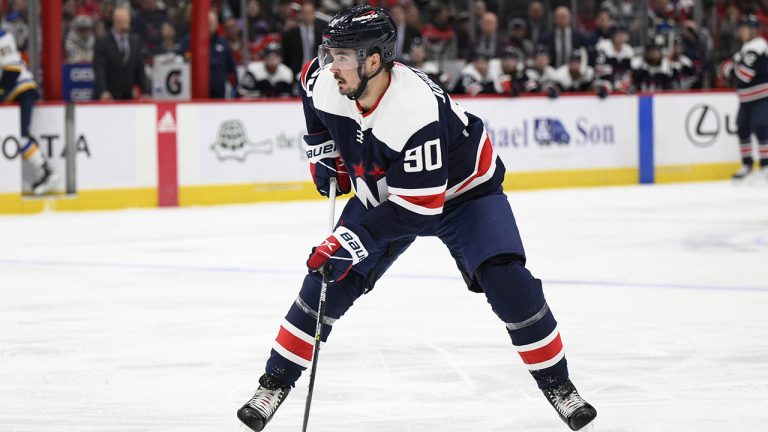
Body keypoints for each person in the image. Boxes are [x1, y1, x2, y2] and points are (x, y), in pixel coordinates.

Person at [236, 6, 597, 432]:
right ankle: (274, 384)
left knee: (507, 282)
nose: (333, 65)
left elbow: (416, 209)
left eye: (344, 56)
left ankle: (559, 386)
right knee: (325, 281)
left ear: (374, 60)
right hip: (387, 188)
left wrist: (348, 242)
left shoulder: (414, 112)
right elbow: (308, 84)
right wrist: (322, 149)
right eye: (331, 52)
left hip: (463, 194)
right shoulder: (328, 78)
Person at [0, 27, 58, 195]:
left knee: (20, 136)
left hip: (22, 89)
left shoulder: (3, 36)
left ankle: (46, 171)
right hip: (14, 93)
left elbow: (12, 70)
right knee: (18, 135)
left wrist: (1, 94)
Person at [720, 14, 768, 180]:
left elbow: (743, 75)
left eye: (744, 28)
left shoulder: (756, 47)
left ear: (753, 30)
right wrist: (732, 68)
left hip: (761, 97)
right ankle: (747, 164)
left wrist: (729, 68)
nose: (741, 31)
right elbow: (733, 69)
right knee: (742, 129)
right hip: (746, 98)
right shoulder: (747, 47)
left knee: (762, 129)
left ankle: (766, 165)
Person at [92, 7, 150, 100]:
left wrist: (145, 91)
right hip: (108, 94)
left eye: (126, 21)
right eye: (121, 21)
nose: (124, 25)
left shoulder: (135, 41)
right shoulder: (102, 42)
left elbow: (140, 68)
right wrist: (103, 91)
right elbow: (99, 69)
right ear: (115, 22)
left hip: (127, 94)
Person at [281, 1, 324, 76]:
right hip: (296, 71)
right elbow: (286, 56)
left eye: (310, 13)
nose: (307, 16)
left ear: (314, 14)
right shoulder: (290, 34)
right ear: (300, 14)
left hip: (315, 71)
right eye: (305, 13)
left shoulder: (320, 33)